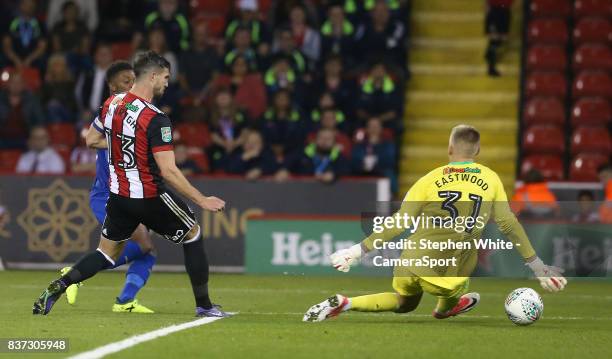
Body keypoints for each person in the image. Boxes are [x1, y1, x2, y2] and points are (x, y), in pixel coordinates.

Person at [33, 52, 229, 318]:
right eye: (166, 77)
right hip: (149, 195)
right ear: (152, 75)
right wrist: (201, 198)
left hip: (118, 197)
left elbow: (91, 139)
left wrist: (123, 145)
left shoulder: (111, 104)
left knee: (106, 254)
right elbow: (169, 171)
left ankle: (61, 285)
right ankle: (205, 306)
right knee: (192, 234)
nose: (167, 84)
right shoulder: (156, 118)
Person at [303, 125, 566, 322]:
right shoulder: (491, 179)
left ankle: (345, 303)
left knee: (404, 303)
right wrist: (537, 266)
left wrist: (356, 251)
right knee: (458, 285)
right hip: (449, 270)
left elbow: (399, 222)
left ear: (450, 149)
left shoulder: (429, 179)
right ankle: (445, 308)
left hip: (410, 261)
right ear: (477, 151)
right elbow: (509, 225)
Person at [64, 61, 157, 313]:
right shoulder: (110, 113)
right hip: (108, 195)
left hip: (131, 192)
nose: (131, 85)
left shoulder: (136, 114)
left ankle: (125, 300)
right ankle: (75, 274)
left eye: (133, 81)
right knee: (144, 244)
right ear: (111, 86)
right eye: (125, 81)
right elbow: (90, 141)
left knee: (147, 252)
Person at [0, 71, 45, 148]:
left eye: (19, 83)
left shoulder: (32, 99)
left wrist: (33, 137)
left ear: (23, 85)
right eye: (13, 82)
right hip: (2, 138)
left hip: (25, 138)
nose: (16, 85)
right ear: (7, 84)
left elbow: (40, 120)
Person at [2, 0, 47, 70]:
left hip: (33, 57)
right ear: (20, 5)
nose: (29, 7)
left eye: (31, 5)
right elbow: (6, 45)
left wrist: (29, 60)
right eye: (26, 4)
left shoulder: (40, 24)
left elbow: (42, 47)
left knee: (43, 60)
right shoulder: (10, 21)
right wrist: (15, 59)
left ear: (35, 7)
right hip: (13, 56)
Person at [485, 0, 513, 77]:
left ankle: (489, 57)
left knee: (501, 39)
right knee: (494, 39)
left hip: (504, 11)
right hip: (495, 11)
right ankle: (491, 65)